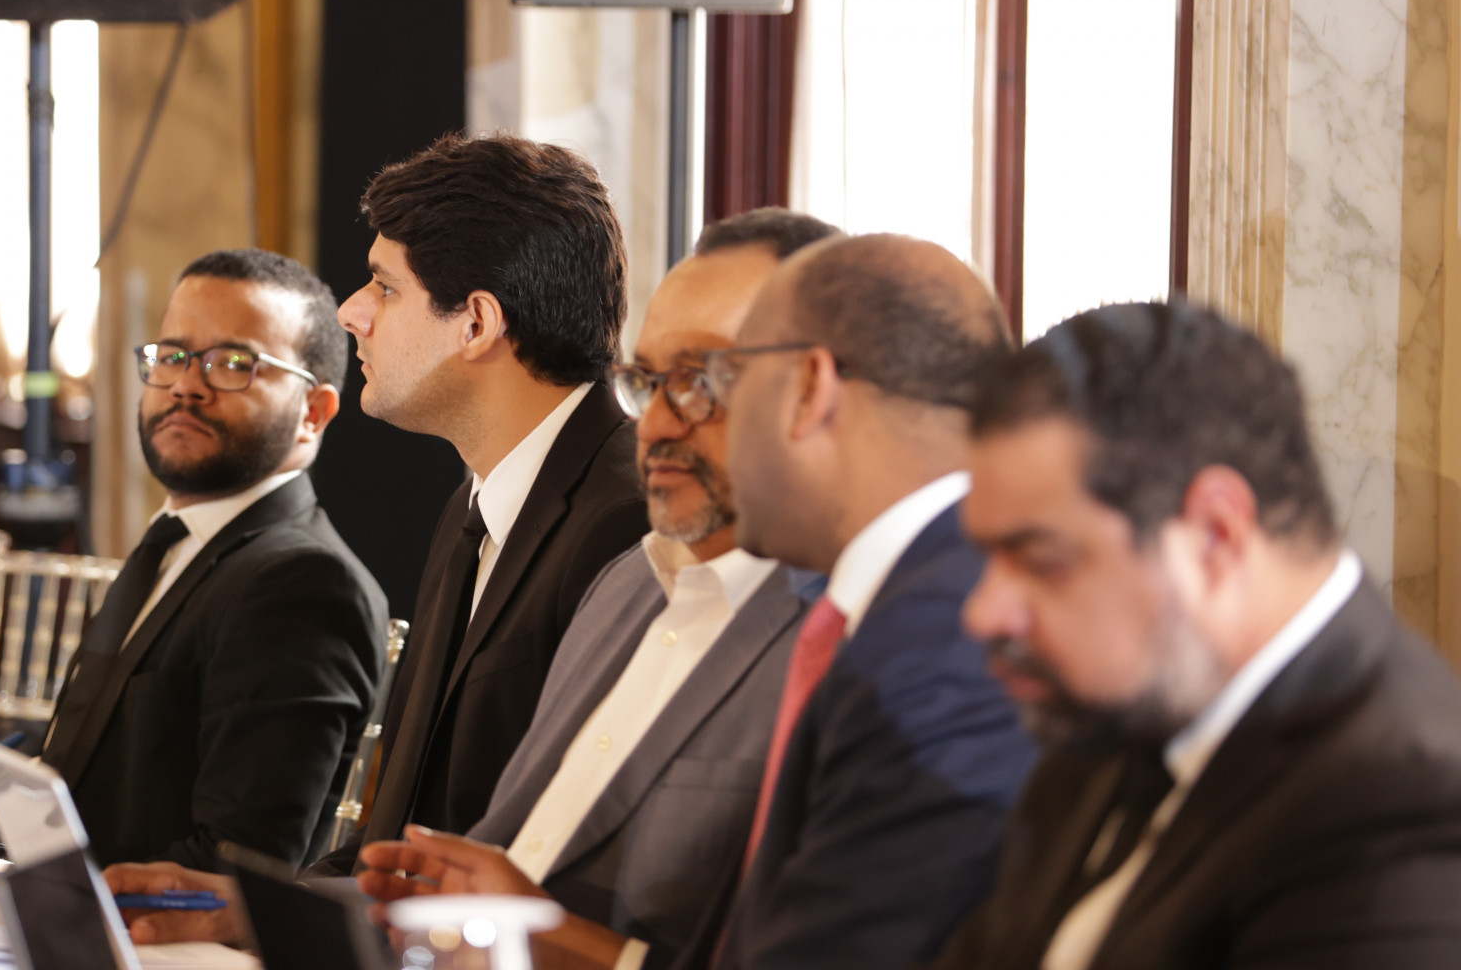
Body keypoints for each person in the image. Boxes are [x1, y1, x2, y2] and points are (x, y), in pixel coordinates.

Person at [106, 131, 649, 943]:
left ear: (475, 324)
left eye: (385, 288)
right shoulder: (472, 507)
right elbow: (398, 849)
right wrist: (242, 908)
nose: (351, 312)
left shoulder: (627, 523)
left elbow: (563, 876)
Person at [355, 208, 841, 969]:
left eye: (700, 381)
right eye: (647, 383)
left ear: (816, 390)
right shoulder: (630, 583)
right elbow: (496, 867)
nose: (655, 425)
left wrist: (571, 949)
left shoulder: (851, 632)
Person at [931, 301, 1461, 969]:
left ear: (1216, 534)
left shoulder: (1402, 800)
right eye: (988, 558)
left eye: (1041, 561)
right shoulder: (1121, 709)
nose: (983, 613)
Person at [0, 249, 387, 870]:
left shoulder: (303, 584)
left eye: (232, 363)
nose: (186, 384)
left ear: (313, 413)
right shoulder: (174, 543)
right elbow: (109, 777)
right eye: (172, 356)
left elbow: (234, 865)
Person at [696, 232, 1038, 970]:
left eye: (727, 377)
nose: (712, 420)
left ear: (809, 389)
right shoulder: (918, 605)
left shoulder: (949, 649)